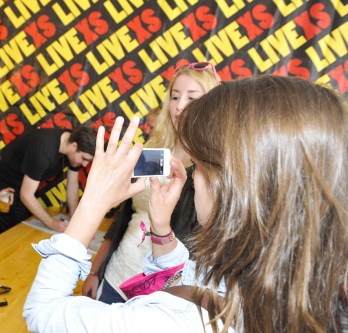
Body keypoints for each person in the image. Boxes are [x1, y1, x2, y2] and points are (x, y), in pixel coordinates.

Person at [24, 75, 348, 332]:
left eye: (203, 166)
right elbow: (192, 279)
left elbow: (42, 311)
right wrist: (162, 227)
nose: (194, 177)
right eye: (175, 96)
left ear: (239, 190)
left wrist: (92, 203)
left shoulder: (169, 322)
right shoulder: (273, 281)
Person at [82, 62, 219, 304]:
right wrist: (96, 271)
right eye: (175, 96)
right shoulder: (153, 148)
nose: (179, 105)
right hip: (117, 276)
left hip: (159, 296)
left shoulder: (212, 167)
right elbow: (125, 215)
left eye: (192, 96)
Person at [0, 127, 96, 236]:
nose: (85, 164)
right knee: (5, 230)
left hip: (24, 183)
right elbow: (26, 195)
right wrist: (52, 223)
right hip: (3, 181)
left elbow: (72, 185)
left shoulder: (72, 144)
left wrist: (75, 219)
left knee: (22, 227)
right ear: (74, 146)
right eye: (84, 158)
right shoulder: (43, 151)